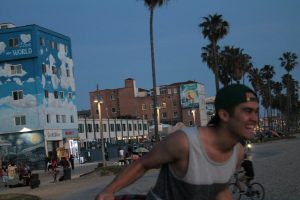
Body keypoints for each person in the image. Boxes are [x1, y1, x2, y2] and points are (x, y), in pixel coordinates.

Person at [95, 84, 259, 200]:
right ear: (224, 115)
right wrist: (109, 190)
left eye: (256, 111)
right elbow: (142, 163)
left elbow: (220, 190)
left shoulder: (237, 153)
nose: (255, 118)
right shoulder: (184, 142)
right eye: (247, 111)